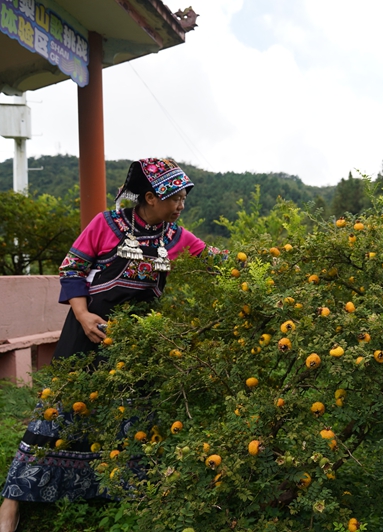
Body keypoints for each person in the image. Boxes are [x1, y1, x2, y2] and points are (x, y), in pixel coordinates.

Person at [0, 158, 221, 532]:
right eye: (176, 197)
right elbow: (72, 269)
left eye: (184, 197)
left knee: (133, 414)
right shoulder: (105, 224)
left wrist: (265, 264)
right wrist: (84, 316)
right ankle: (12, 500)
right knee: (60, 409)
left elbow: (214, 260)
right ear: (151, 197)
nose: (182, 205)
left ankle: (114, 489)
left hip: (138, 342)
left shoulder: (176, 237)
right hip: (88, 331)